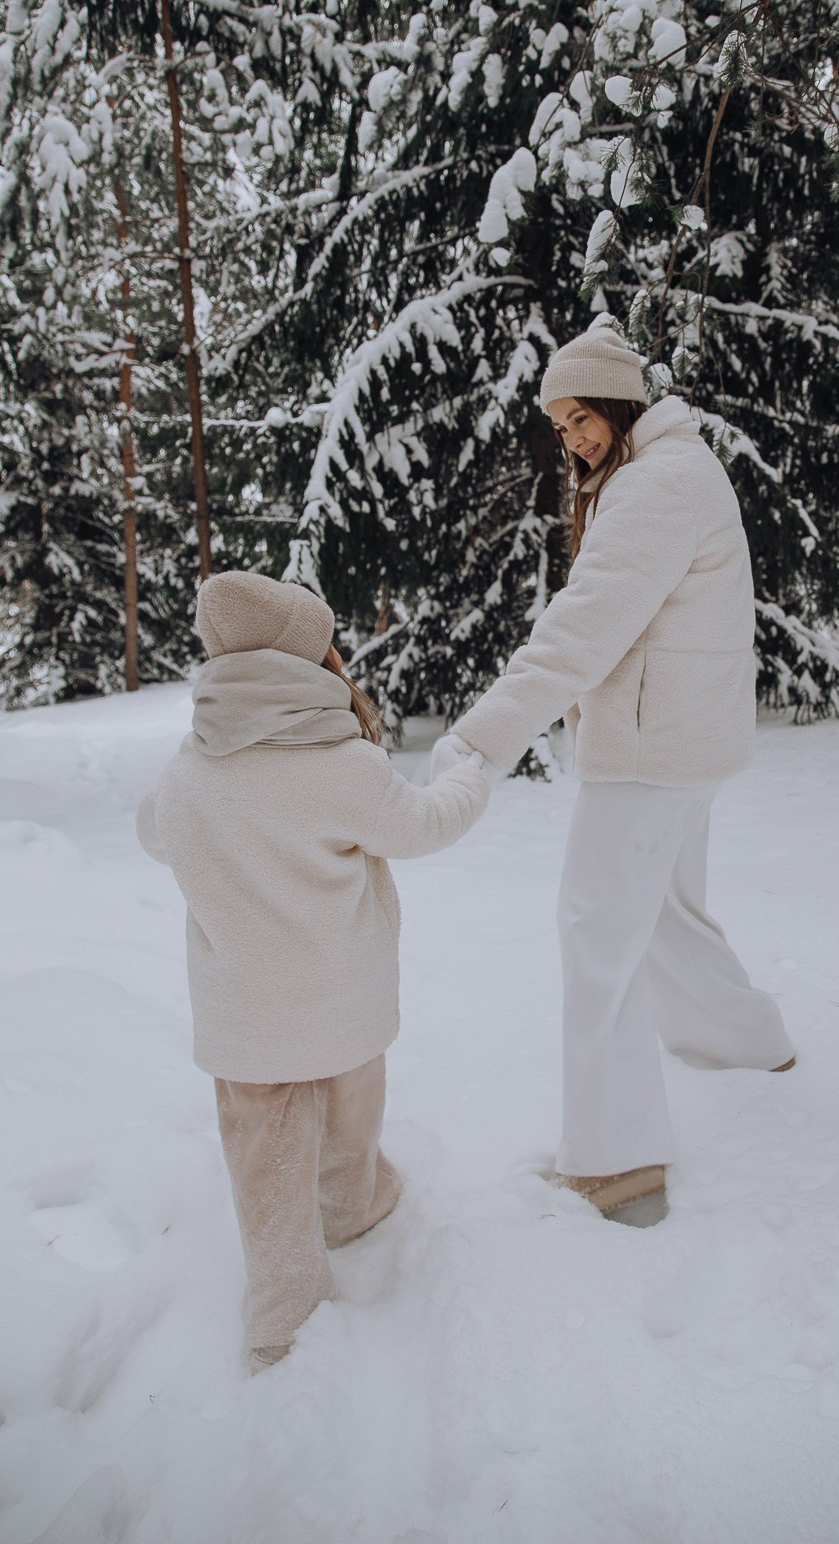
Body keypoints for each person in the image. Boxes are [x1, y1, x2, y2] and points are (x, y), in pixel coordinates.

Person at [433, 326, 793, 1217]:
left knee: (599, 936)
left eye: (581, 417)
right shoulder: (669, 472)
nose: (573, 438)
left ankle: (617, 1156)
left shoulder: (658, 484)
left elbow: (583, 628)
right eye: (559, 426)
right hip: (681, 741)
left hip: (648, 748)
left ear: (621, 403)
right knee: (666, 914)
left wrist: (484, 737)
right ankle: (747, 1045)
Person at [137, 571, 489, 1370]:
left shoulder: (190, 771)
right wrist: (468, 775)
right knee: (351, 1113)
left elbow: (152, 834)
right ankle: (352, 1206)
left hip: (246, 1021)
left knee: (265, 1158)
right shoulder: (339, 763)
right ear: (310, 661)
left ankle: (282, 1315)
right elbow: (427, 825)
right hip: (343, 1003)